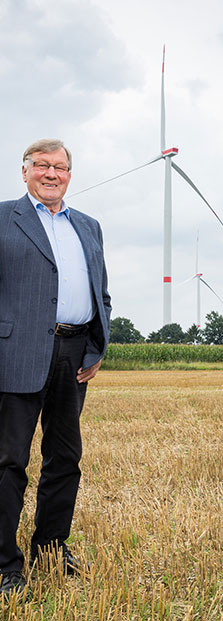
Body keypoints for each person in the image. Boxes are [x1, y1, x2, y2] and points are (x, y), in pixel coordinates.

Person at [0, 139, 111, 597]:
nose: (51, 173)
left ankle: (50, 545)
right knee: (9, 462)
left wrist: (97, 346)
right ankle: (7, 565)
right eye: (41, 166)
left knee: (65, 458)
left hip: (74, 354)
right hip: (16, 354)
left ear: (70, 174)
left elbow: (100, 290)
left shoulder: (89, 225)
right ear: (24, 171)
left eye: (60, 167)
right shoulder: (4, 217)